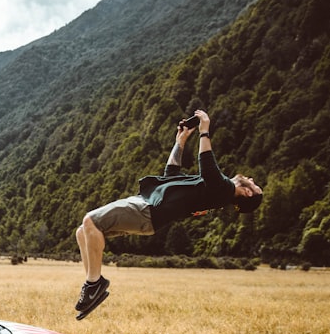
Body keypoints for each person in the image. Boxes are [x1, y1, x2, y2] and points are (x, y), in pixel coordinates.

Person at [74, 109, 263, 318]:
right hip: (146, 206)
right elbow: (170, 176)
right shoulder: (215, 191)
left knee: (90, 220)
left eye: (255, 186)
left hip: (148, 211)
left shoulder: (224, 191)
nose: (252, 180)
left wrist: (204, 131)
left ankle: (94, 284)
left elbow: (208, 168)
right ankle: (93, 285)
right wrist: (180, 142)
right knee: (83, 231)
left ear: (246, 192)